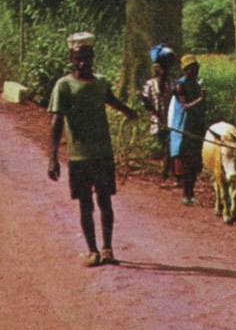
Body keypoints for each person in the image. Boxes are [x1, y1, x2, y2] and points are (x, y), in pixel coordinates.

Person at [48, 32, 138, 267]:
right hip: (79, 156)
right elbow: (56, 122)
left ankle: (107, 248)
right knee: (85, 204)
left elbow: (111, 100)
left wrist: (129, 111)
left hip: (102, 153)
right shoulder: (64, 86)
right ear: (71, 57)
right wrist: (53, 157)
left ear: (93, 57)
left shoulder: (100, 82)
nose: (82, 63)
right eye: (78, 58)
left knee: (105, 202)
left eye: (87, 58)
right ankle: (92, 250)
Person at [168, 53, 206, 205]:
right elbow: (185, 106)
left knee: (194, 162)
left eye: (196, 67)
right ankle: (186, 194)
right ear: (185, 69)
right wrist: (201, 99)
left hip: (195, 126)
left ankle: (191, 193)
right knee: (186, 162)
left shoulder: (196, 84)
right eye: (192, 68)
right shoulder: (180, 86)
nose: (195, 70)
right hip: (183, 127)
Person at [139, 43, 177, 181]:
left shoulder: (172, 84)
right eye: (162, 69)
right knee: (165, 147)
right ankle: (168, 172)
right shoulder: (150, 84)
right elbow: (144, 101)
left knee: (168, 147)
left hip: (171, 121)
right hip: (157, 121)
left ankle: (167, 173)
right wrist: (155, 112)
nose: (164, 72)